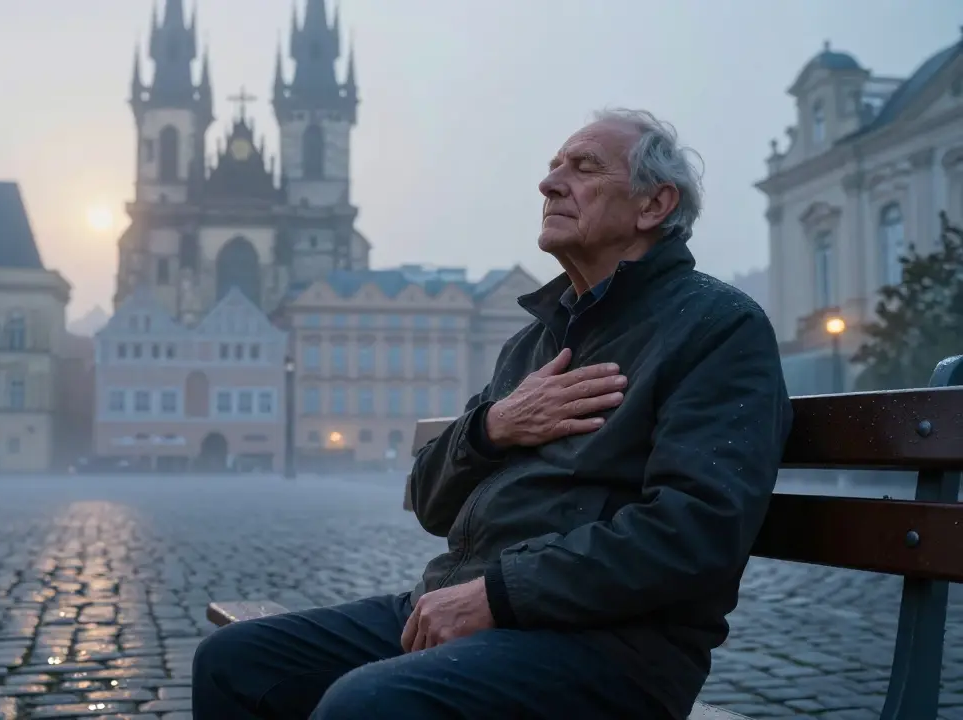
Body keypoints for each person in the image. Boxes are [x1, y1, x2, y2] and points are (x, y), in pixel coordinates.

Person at [192, 109, 793, 719]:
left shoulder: (717, 327)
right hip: (475, 607)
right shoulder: (534, 341)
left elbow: (698, 530)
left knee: (365, 704)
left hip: (609, 645)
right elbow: (430, 503)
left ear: (654, 205)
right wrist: (492, 427)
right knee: (233, 660)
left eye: (584, 167)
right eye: (553, 166)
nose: (549, 183)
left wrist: (500, 595)